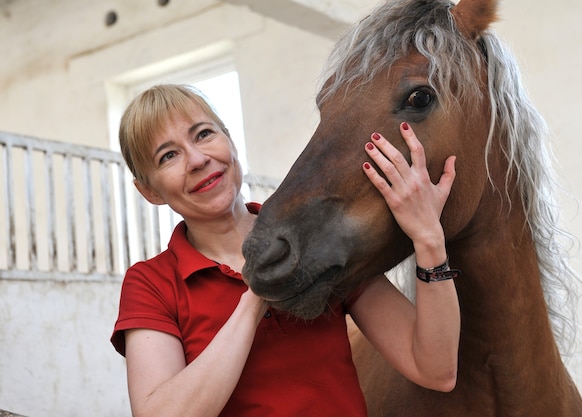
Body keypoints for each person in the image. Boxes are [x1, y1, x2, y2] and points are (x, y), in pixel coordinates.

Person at [111, 84, 460, 417]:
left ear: (230, 142)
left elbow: (435, 369)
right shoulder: (151, 283)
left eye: (204, 134)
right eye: (168, 156)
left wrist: (429, 239)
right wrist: (259, 287)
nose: (198, 159)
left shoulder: (315, 238)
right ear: (149, 191)